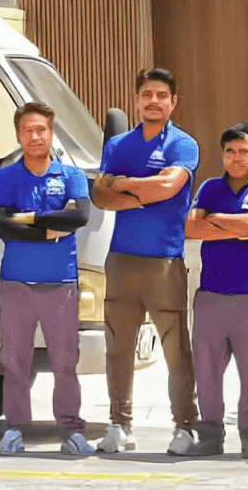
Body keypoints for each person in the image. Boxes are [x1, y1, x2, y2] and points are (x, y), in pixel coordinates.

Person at [88, 67, 200, 454]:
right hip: (121, 260)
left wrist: (123, 185)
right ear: (137, 100)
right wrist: (144, 192)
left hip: (164, 262)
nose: (154, 101)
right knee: (118, 348)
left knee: (175, 350)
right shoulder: (119, 145)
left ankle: (184, 427)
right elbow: (100, 197)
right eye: (147, 95)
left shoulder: (184, 144)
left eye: (162, 95)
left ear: (173, 102)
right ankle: (119, 425)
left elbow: (169, 186)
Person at [0, 100, 96, 455]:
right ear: (18, 135)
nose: (35, 137)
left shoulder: (71, 176)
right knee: (14, 362)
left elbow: (78, 218)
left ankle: (71, 430)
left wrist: (28, 219)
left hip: (60, 283)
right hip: (15, 283)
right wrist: (50, 229)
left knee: (65, 363)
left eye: (41, 130)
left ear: (51, 132)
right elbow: (2, 227)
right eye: (27, 131)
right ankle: (14, 429)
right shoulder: (3, 178)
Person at [179, 124, 248, 459]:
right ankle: (210, 437)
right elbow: (191, 227)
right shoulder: (209, 188)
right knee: (207, 372)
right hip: (210, 295)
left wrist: (216, 222)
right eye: (230, 152)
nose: (236, 158)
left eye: (243, 151)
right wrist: (238, 225)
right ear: (223, 156)